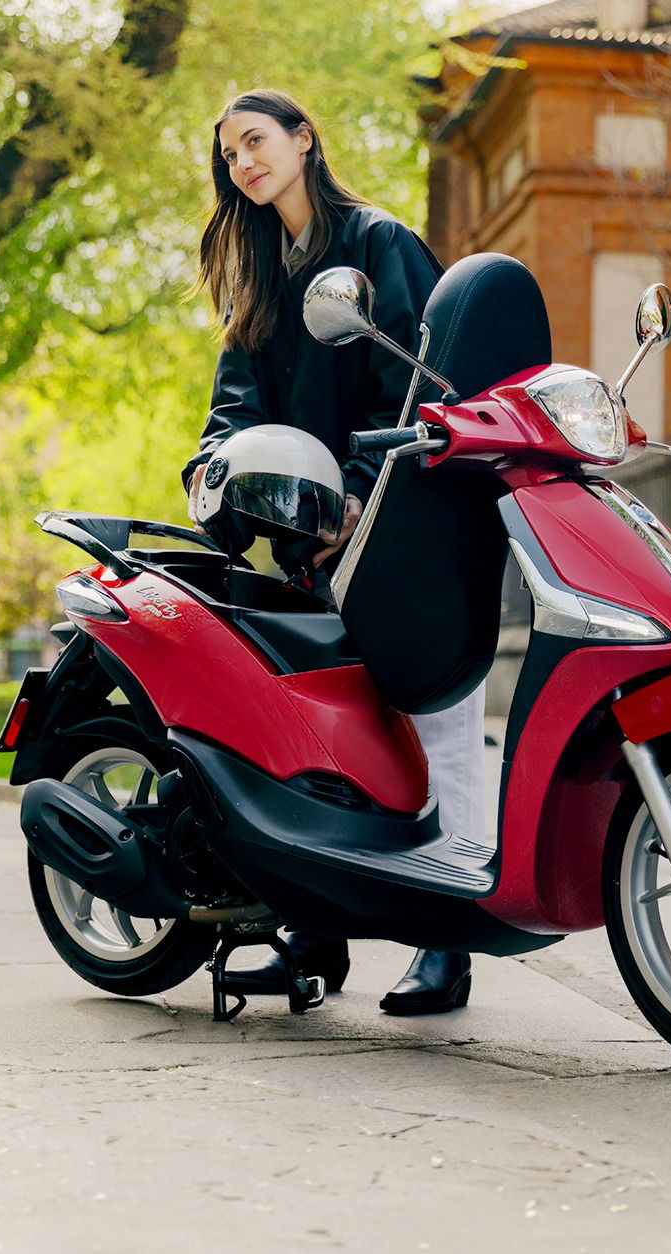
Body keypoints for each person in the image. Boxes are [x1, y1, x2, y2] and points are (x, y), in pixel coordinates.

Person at [182, 89, 485, 1014]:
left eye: (256, 141)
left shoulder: (381, 243)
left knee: (439, 732)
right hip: (308, 533)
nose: (243, 163)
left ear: (305, 139)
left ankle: (448, 943)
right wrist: (220, 467)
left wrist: (361, 485)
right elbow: (238, 396)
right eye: (229, 154)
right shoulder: (259, 274)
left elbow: (418, 384)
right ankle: (314, 942)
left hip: (411, 522)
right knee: (318, 735)